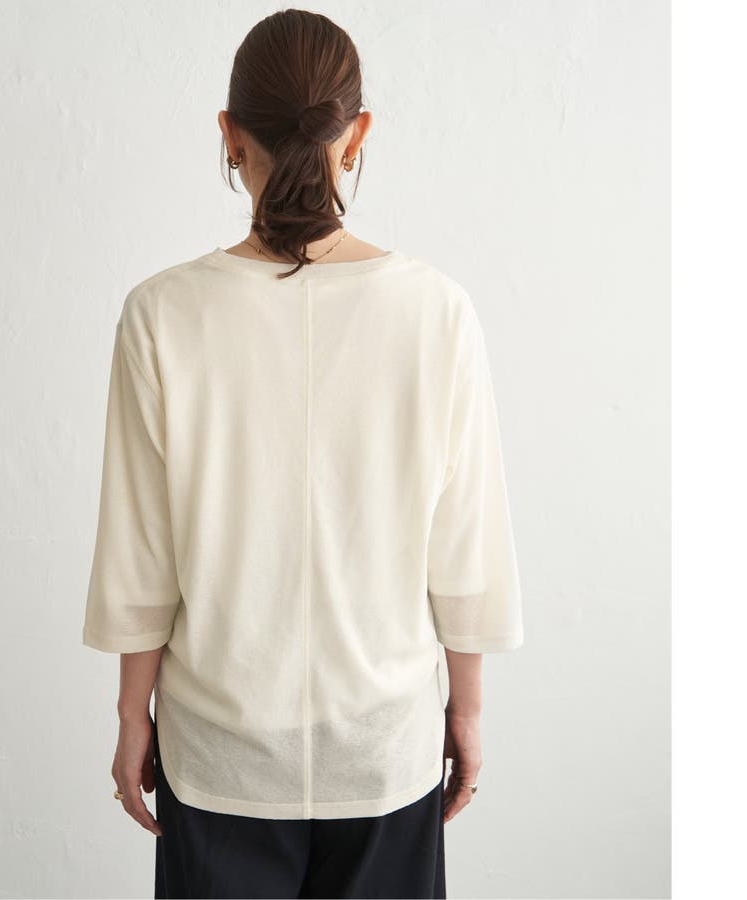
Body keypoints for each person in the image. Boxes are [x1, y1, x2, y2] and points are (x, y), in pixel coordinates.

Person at [82, 8, 524, 899]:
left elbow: (142, 552)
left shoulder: (162, 315)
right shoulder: (436, 312)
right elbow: (465, 545)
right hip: (385, 751)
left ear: (230, 134)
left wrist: (132, 715)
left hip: (220, 756)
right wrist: (468, 712)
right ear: (356, 135)